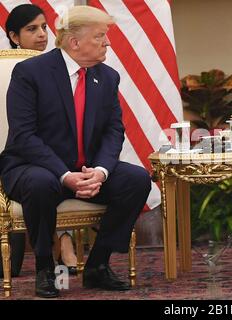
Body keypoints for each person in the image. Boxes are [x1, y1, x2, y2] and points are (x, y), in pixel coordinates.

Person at [0, 5, 152, 298]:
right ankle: (46, 269)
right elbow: (24, 136)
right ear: (74, 42)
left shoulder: (107, 77)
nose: (107, 43)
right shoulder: (30, 73)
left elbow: (113, 131)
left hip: (86, 169)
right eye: (100, 37)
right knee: (42, 183)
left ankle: (97, 265)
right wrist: (64, 174)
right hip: (34, 166)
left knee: (136, 179)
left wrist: (101, 171)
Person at [3, 3, 79, 278]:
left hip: (54, 155)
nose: (42, 35)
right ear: (13, 36)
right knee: (44, 178)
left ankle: (66, 245)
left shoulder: (62, 68)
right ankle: (62, 247)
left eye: (45, 27)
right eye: (31, 29)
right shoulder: (15, 71)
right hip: (20, 158)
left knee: (60, 171)